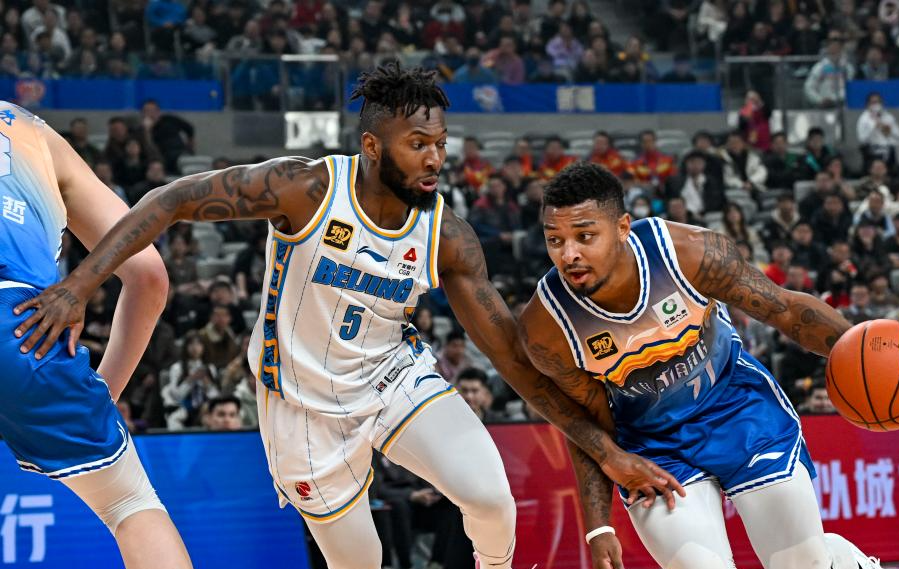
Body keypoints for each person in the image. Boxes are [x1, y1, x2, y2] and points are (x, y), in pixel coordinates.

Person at [18, 64, 679, 569]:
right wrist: (79, 285)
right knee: (360, 560)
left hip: (392, 376)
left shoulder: (448, 235)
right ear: (372, 145)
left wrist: (604, 450)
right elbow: (171, 200)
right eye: (417, 142)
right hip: (300, 404)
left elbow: (517, 364)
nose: (433, 156)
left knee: (491, 495)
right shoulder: (306, 189)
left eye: (440, 142)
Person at [518, 162, 888, 569]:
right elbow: (583, 420)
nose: (568, 254)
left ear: (623, 227)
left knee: (805, 565)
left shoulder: (688, 254)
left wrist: (876, 352)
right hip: (652, 445)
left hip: (738, 409)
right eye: (555, 240)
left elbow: (784, 310)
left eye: (585, 236)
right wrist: (598, 526)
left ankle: (836, 559)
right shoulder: (547, 326)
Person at [0, 102, 192, 567]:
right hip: (24, 325)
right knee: (127, 506)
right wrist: (106, 393)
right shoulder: (29, 129)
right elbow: (148, 275)